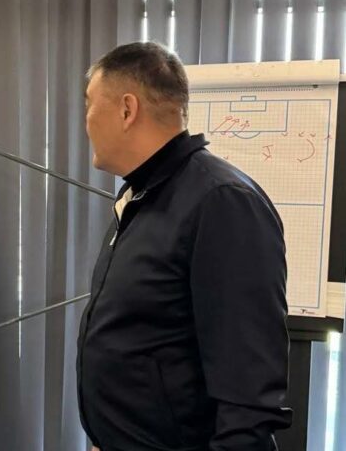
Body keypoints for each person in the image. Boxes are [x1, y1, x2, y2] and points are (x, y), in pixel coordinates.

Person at [76, 42, 292, 451]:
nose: (85, 122)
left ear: (127, 109)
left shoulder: (221, 202)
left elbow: (249, 399)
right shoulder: (142, 196)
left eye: (89, 104)